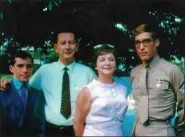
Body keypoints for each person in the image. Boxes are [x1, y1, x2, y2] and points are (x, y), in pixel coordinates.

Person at [130, 24, 184, 136]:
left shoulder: (172, 71)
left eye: (146, 42)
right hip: (138, 130)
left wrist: (178, 132)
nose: (141, 47)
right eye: (137, 43)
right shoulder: (134, 73)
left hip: (162, 130)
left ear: (156, 43)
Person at [73, 44, 128, 136]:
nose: (107, 63)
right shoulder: (88, 91)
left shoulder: (122, 89)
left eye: (111, 59)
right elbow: (78, 124)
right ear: (96, 65)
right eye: (102, 60)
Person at [0, 51, 45, 137]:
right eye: (20, 66)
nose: (25, 70)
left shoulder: (38, 94)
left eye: (29, 66)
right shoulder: (2, 92)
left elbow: (41, 125)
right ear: (11, 68)